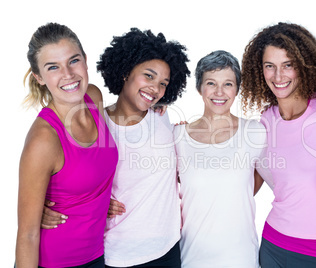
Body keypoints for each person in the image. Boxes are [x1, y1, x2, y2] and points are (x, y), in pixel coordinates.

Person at [41, 27, 190, 268]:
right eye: (149, 76)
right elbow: (64, 170)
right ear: (125, 72)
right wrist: (43, 207)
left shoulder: (162, 116)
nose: (155, 88)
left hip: (168, 249)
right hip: (117, 254)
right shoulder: (97, 123)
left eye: (163, 83)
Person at [241, 22, 316, 267]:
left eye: (287, 65)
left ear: (303, 65)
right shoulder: (266, 120)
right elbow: (250, 182)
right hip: (272, 240)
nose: (278, 76)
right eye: (269, 66)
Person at [15, 22, 118, 267]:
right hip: (58, 261)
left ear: (85, 60)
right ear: (39, 77)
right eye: (53, 67)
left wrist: (156, 103)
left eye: (73, 60)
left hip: (98, 255)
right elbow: (27, 235)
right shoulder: (44, 140)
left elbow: (93, 166)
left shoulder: (93, 96)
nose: (68, 74)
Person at [174, 50, 271, 267]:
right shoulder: (177, 137)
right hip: (191, 258)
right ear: (199, 87)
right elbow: (159, 186)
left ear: (237, 88)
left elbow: (276, 178)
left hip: (241, 258)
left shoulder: (255, 132)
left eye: (228, 84)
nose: (219, 92)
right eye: (211, 83)